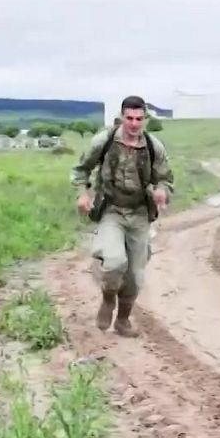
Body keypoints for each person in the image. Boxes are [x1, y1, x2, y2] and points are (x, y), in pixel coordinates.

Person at [71, 95, 173, 336]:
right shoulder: (104, 141)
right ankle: (108, 299)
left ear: (145, 119)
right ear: (122, 117)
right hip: (111, 210)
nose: (134, 124)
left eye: (139, 118)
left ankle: (123, 320)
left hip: (139, 214)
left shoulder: (153, 146)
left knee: (135, 277)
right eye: (130, 118)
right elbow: (81, 169)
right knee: (115, 262)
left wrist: (161, 191)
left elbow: (165, 178)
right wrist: (82, 194)